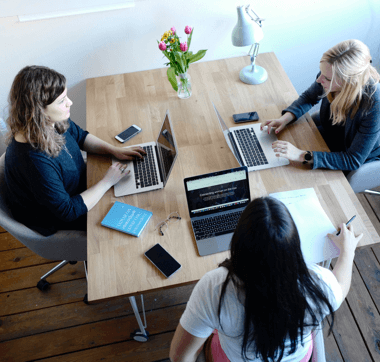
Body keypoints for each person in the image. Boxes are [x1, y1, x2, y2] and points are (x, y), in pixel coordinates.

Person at [169, 196, 363, 362]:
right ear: (294, 246)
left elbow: (179, 357)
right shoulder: (318, 284)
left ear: (238, 243)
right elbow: (341, 286)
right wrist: (348, 251)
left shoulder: (214, 287)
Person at [4, 65, 146, 236]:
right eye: (62, 101)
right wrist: (107, 182)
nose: (69, 103)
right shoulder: (34, 161)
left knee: (138, 190)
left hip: (81, 187)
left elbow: (80, 137)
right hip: (63, 218)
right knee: (139, 211)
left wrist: (114, 150)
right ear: (39, 110)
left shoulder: (48, 122)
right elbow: (67, 211)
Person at [262, 39, 380, 171]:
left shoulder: (374, 104)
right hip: (331, 132)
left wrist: (301, 155)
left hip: (350, 154)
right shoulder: (329, 73)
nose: (319, 80)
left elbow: (353, 159)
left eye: (327, 78)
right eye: (321, 72)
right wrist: (285, 118)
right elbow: (309, 97)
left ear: (350, 82)